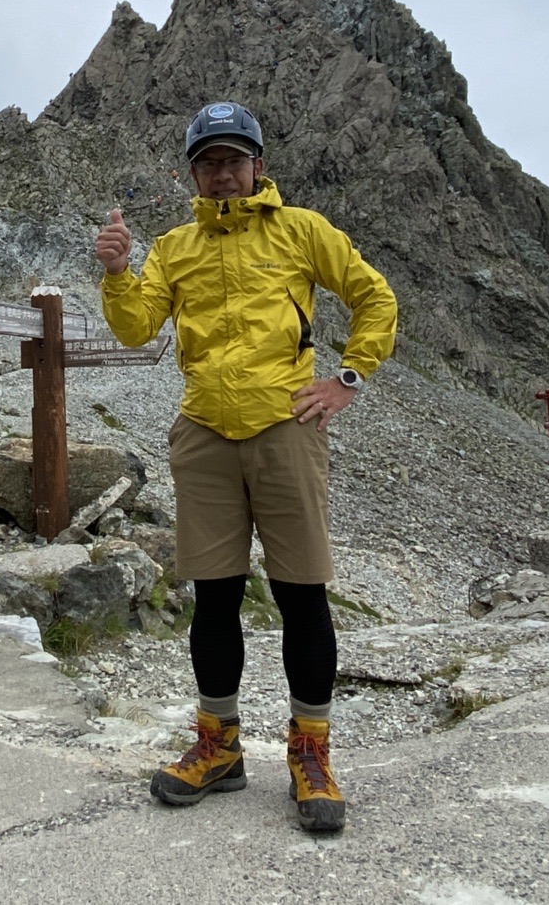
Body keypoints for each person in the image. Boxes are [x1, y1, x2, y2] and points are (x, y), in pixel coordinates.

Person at [95, 101, 397, 833]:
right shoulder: (174, 246)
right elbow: (137, 328)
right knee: (216, 596)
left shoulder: (302, 231)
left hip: (286, 426)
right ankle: (219, 747)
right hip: (203, 431)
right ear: (193, 174)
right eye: (209, 162)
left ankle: (310, 754)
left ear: (259, 167)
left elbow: (373, 296)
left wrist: (346, 381)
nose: (223, 174)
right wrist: (116, 272)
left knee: (301, 596)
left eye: (235, 160)